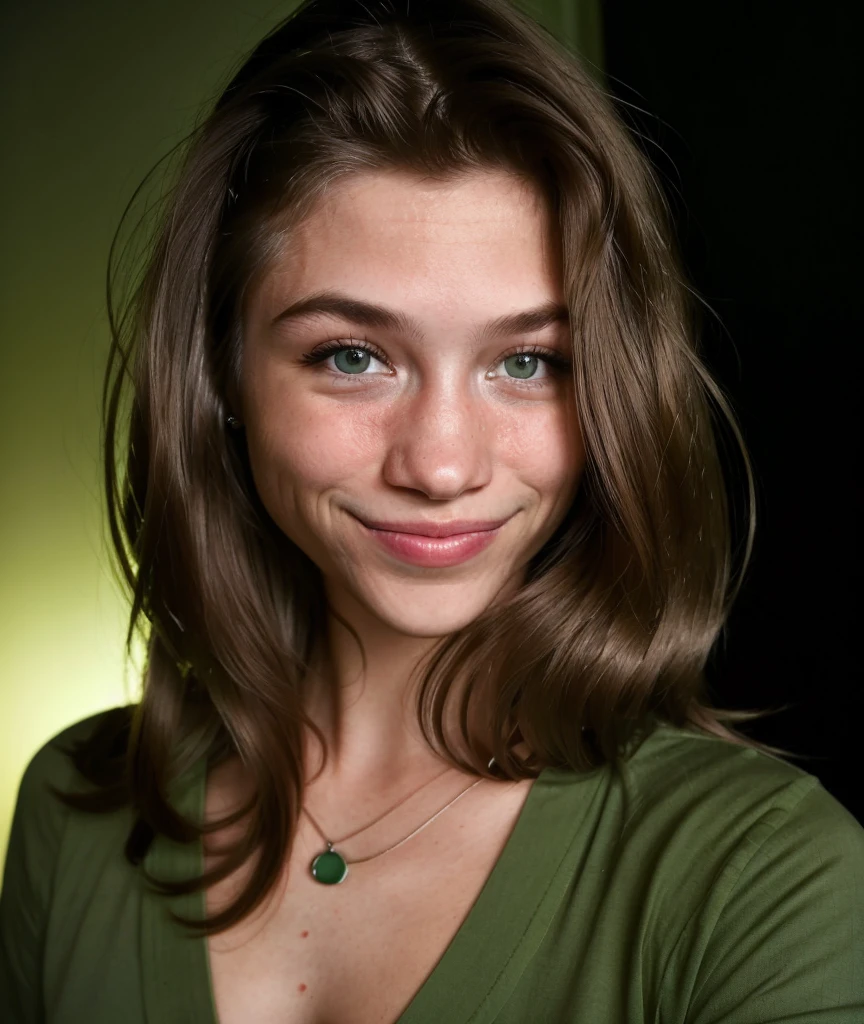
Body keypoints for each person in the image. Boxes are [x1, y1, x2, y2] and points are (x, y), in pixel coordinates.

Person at [2, 0, 862, 1020]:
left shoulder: (763, 875)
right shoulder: (75, 808)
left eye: (529, 362)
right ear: (221, 373)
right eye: (353, 357)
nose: (443, 463)